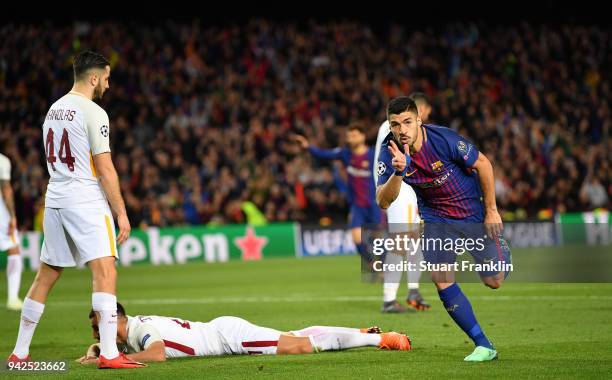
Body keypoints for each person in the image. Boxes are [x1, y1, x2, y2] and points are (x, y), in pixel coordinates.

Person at [7, 51, 143, 369]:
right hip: (84, 199)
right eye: (106, 79)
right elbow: (106, 169)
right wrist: (121, 212)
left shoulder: (54, 109)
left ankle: (19, 354)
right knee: (105, 271)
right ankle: (110, 354)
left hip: (55, 198)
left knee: (46, 275)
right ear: (93, 77)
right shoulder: (93, 112)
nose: (108, 86)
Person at [376, 96, 511, 362]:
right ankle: (483, 345)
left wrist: (492, 210)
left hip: (471, 213)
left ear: (419, 120)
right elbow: (383, 200)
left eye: (406, 122)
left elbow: (483, 164)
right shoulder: (389, 150)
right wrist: (398, 172)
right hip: (436, 218)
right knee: (440, 278)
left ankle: (501, 249)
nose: (401, 130)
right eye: (395, 124)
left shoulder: (444, 139)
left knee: (493, 281)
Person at [77, 302, 411, 364]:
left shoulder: (141, 329)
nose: (97, 332)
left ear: (114, 319)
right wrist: (98, 348)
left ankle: (382, 339)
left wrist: (113, 357)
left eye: (98, 327)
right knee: (294, 335)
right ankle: (359, 332)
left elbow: (157, 353)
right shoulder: (134, 326)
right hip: (225, 333)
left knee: (302, 347)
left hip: (228, 338)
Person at [373, 93, 433, 313]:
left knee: (414, 239)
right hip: (399, 187)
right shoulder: (390, 129)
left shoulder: (410, 130)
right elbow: (383, 165)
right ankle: (389, 299)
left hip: (410, 188)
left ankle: (413, 290)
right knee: (400, 242)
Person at [294, 123, 380, 273]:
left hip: (374, 204)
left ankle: (385, 267)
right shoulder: (345, 154)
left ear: (363, 136)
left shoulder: (374, 155)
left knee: (380, 239)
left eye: (354, 135)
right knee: (356, 239)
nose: (351, 138)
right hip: (357, 206)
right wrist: (308, 147)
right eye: (349, 136)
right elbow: (324, 154)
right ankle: (374, 265)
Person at [0, 153, 23, 311]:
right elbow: (6, 189)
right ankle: (13, 298)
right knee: (13, 248)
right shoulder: (2, 161)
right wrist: (13, 216)